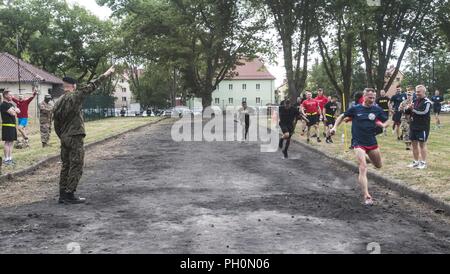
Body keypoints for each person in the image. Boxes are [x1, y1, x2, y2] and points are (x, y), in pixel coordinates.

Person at [53, 66, 116, 204]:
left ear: (65, 86)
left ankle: (62, 194)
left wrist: (62, 136)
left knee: (65, 165)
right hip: (75, 136)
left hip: (64, 137)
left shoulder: (57, 102)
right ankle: (70, 194)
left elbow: (56, 124)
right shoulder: (75, 96)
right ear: (74, 86)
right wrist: (106, 73)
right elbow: (92, 86)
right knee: (76, 165)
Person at [331, 88, 389, 206]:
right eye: (369, 97)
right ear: (364, 96)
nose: (372, 100)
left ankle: (367, 158)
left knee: (378, 165)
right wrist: (335, 127)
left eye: (373, 97)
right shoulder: (355, 108)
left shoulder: (376, 109)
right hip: (358, 142)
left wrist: (383, 125)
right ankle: (367, 195)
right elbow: (342, 116)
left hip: (372, 142)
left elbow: (386, 120)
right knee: (362, 167)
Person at [407, 85, 432, 170]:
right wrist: (407, 108)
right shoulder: (415, 100)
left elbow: (424, 112)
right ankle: (416, 161)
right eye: (416, 91)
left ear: (424, 92)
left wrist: (413, 109)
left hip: (422, 127)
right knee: (414, 145)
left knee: (422, 145)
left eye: (418, 92)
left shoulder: (427, 102)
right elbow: (408, 112)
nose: (417, 93)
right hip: (413, 126)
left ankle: (423, 162)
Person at [1, 90, 21, 165]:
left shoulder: (10, 104)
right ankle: (6, 160)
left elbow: (19, 111)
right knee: (7, 142)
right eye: (10, 95)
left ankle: (10, 158)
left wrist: (14, 110)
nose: (11, 96)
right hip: (7, 126)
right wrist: (14, 110)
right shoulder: (4, 105)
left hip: (12, 125)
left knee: (11, 142)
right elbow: (13, 113)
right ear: (5, 95)